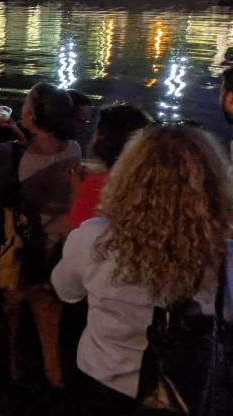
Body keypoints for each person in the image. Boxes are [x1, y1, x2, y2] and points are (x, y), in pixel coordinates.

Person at [52, 125, 233, 416]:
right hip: (187, 391)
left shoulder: (93, 238)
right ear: (213, 187)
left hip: (102, 381)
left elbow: (65, 291)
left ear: (128, 178)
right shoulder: (224, 258)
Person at [0, 82, 81, 390]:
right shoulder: (73, 149)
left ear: (31, 115)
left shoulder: (12, 155)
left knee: (10, 318)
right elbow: (41, 152)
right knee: (49, 319)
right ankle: (54, 379)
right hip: (55, 254)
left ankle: (13, 374)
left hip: (19, 255)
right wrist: (19, 133)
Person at [66, 103, 151, 229]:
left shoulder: (97, 186)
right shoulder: (149, 182)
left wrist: (76, 188)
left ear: (103, 135)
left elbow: (76, 230)